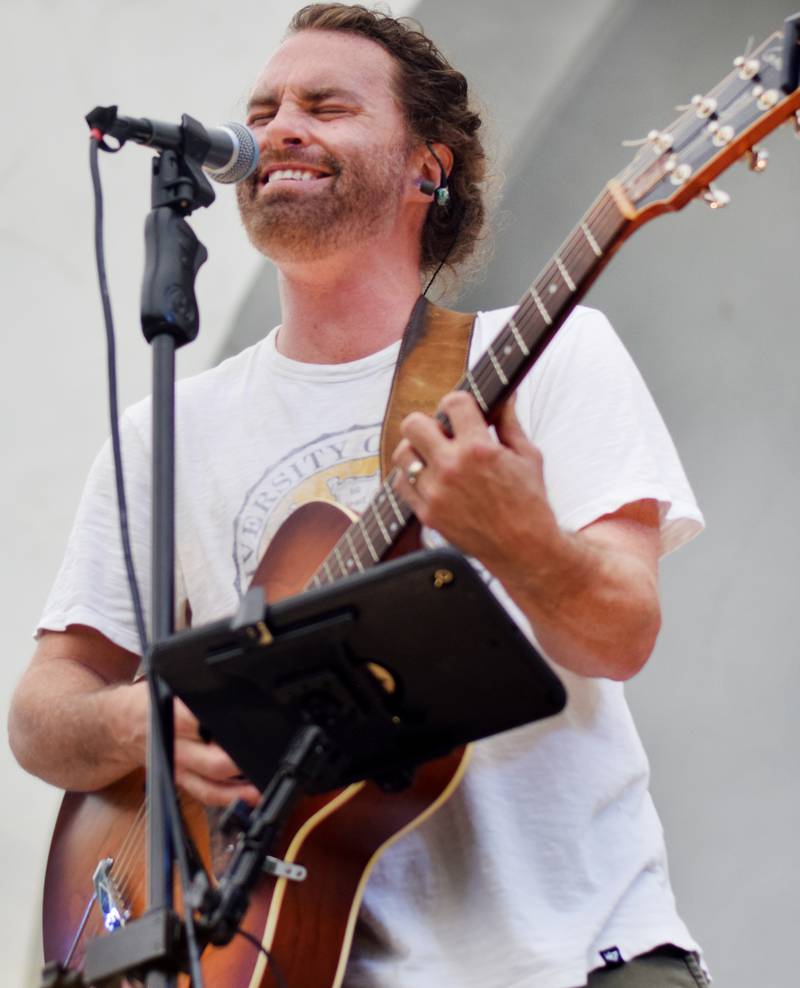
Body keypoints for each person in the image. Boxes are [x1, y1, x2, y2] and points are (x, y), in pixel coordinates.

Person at [9, 5, 710, 987]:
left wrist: (517, 538)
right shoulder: (166, 429)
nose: (279, 126)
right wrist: (147, 726)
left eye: (325, 106)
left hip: (572, 953)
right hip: (297, 955)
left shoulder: (548, 355)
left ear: (428, 167)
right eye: (263, 108)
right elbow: (43, 711)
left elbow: (620, 633)